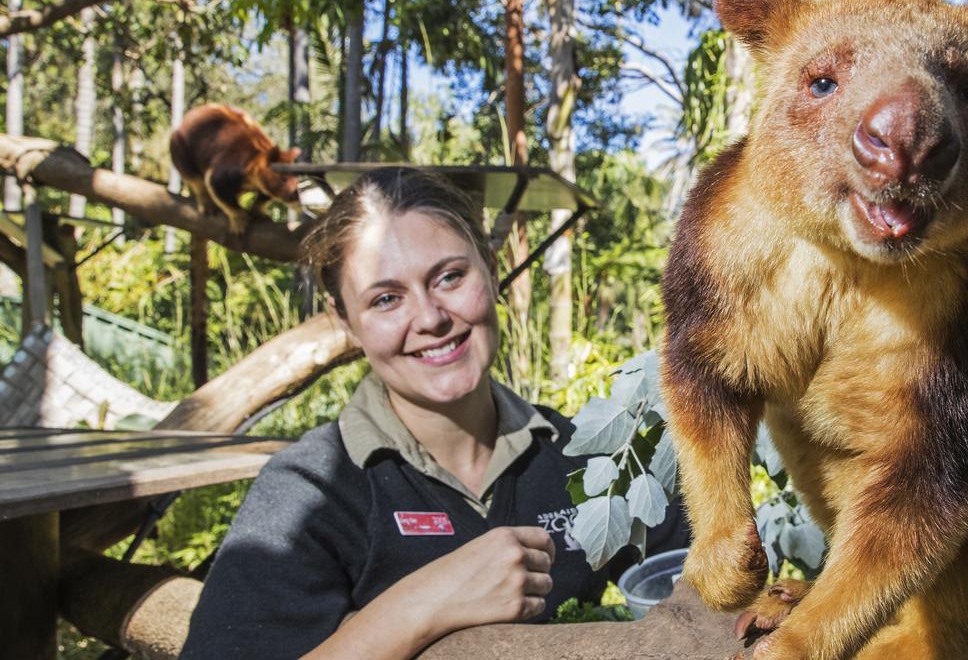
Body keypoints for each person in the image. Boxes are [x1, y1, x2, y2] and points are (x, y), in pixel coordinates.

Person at [180, 168, 689, 660]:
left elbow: (695, 576)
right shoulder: (311, 493)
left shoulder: (580, 456)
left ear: (491, 272)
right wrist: (419, 606)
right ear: (345, 320)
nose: (429, 318)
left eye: (449, 277)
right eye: (385, 299)